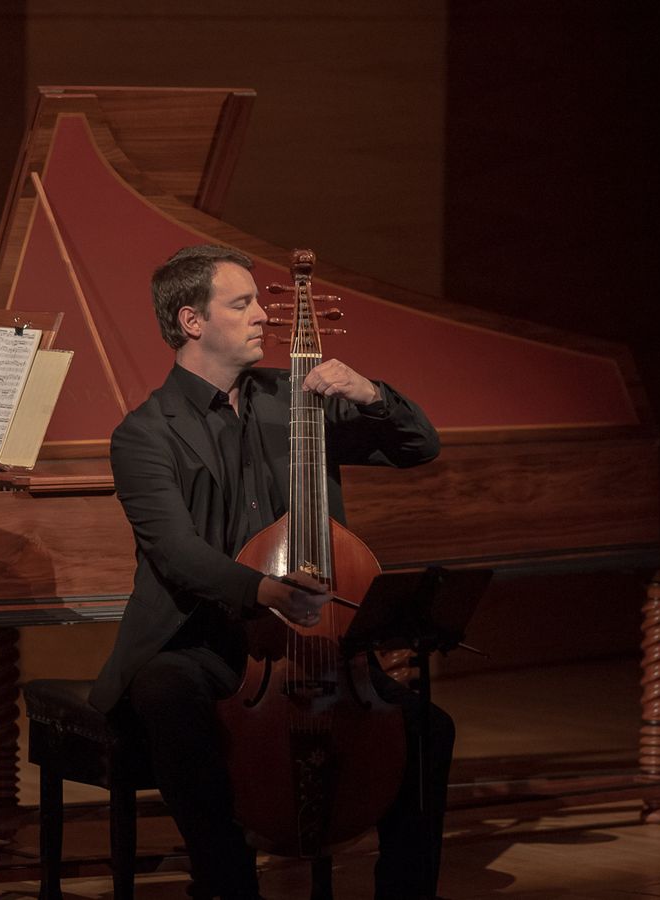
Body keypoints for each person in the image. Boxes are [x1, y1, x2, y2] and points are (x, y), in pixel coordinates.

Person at [88, 245, 454, 900]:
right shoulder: (145, 433)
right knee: (166, 691)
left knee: (428, 727)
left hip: (310, 644)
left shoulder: (301, 400)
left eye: (261, 300)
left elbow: (419, 446)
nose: (263, 314)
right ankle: (226, 884)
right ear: (192, 320)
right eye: (243, 303)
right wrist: (265, 590)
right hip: (206, 638)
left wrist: (368, 393)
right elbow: (177, 552)